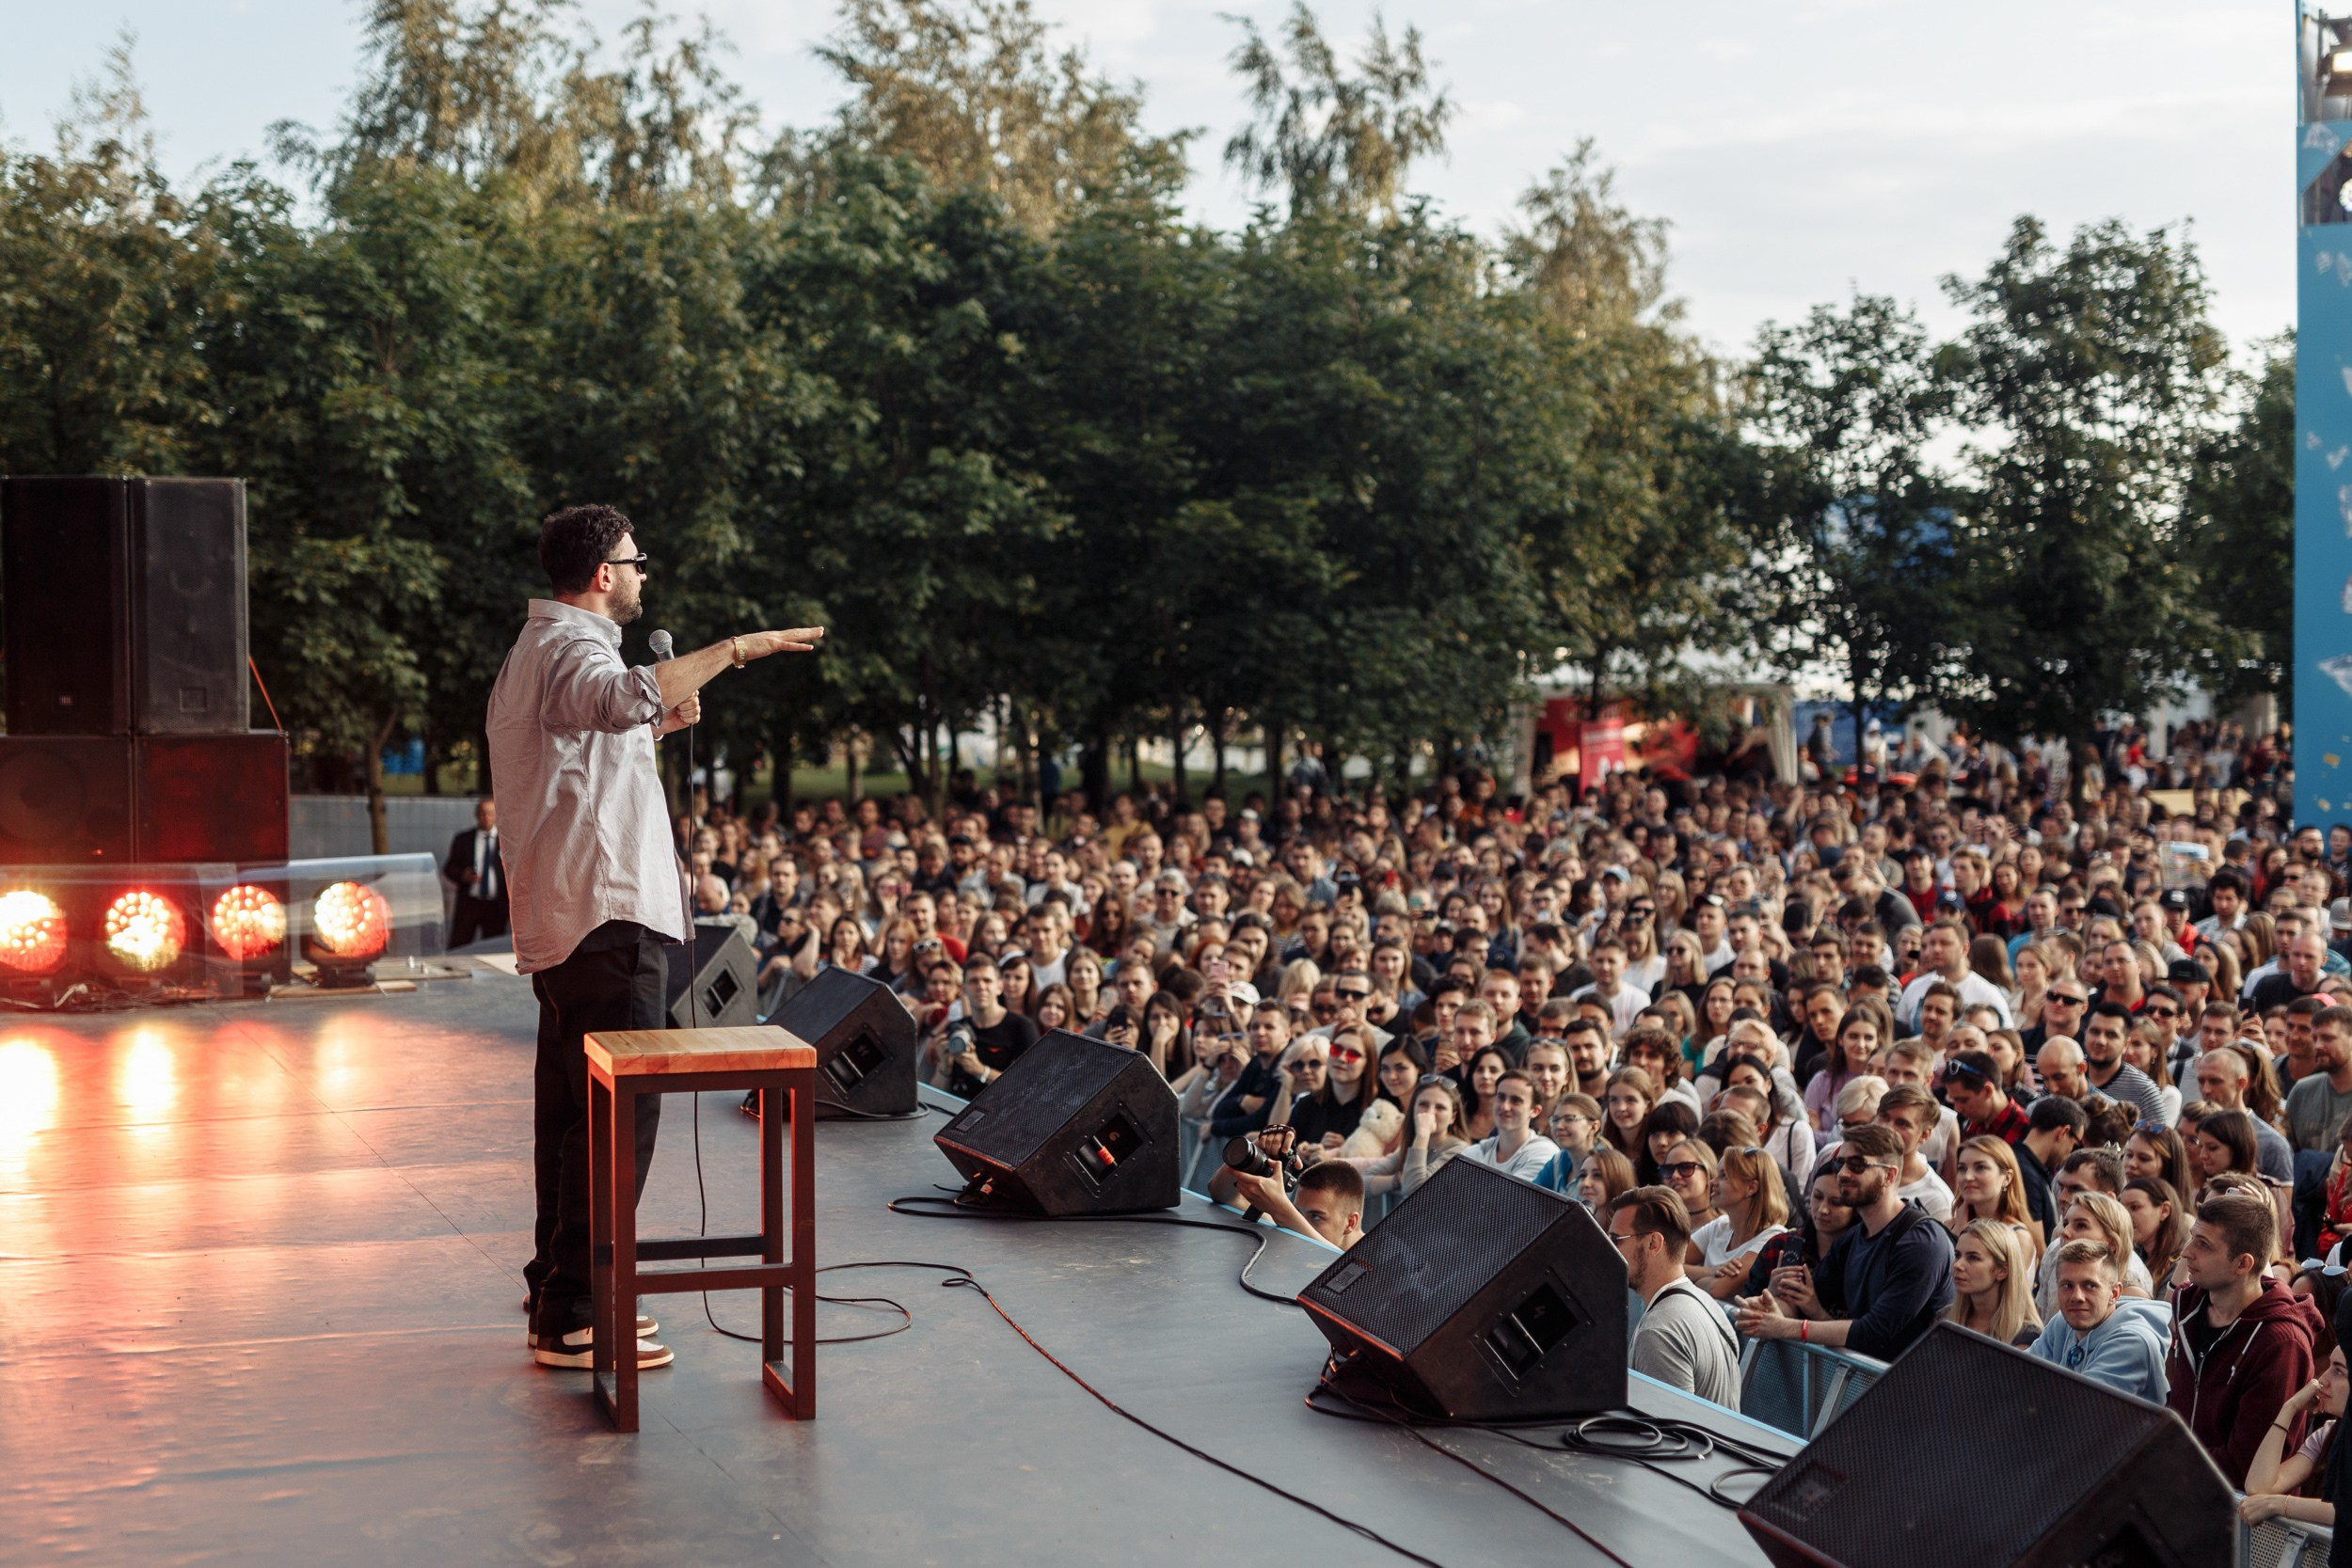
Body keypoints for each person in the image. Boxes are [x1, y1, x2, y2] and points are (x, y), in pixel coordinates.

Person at [493, 502, 823, 1370]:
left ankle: (565, 1295)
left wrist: (662, 719)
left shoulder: (544, 648)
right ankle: (578, 1307)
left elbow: (596, 739)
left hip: (576, 916)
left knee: (575, 1119)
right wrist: (737, 650)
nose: (644, 574)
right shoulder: (571, 647)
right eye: (637, 561)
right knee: (615, 1120)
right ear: (603, 573)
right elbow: (613, 699)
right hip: (606, 918)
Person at [1735, 1123, 1956, 1359]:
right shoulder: (1854, 1238)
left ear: (1889, 1175)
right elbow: (1807, 1298)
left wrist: (1786, 1327)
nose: (1843, 1174)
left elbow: (1875, 1331)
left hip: (1914, 1386)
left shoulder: (1921, 1243)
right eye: (1841, 1163)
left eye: (1857, 1165)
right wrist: (1768, 1308)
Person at [2167, 1190, 2326, 1484]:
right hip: (2179, 1491)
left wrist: (2165, 1458)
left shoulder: (2281, 1343)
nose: (2187, 1252)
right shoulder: (2187, 1306)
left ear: (2242, 1264)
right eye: (2192, 1238)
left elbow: (2246, 1464)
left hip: (2236, 1517)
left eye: (2203, 1244)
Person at [1610, 1187, 1742, 1410]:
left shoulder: (1658, 1331)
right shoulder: (1706, 1302)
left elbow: (1670, 1437)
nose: (1609, 1248)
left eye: (1616, 1240)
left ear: (1654, 1243)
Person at [2026, 1239, 2172, 1402]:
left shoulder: (2133, 1342)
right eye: (2067, 1286)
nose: (2076, 1297)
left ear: (2115, 1293)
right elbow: (2017, 1375)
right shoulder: (2062, 1322)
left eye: (2089, 1286)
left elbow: (2082, 1409)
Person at [2239, 1344, 2346, 1529]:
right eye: (2329, 1367)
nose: (2322, 1380)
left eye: (2338, 1371)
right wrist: (2290, 1407)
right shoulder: (2328, 1433)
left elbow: (2345, 1510)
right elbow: (2259, 1487)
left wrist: (2280, 1504)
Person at [1231, 1129, 1365, 1250]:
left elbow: (1339, 1261)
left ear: (1350, 1222)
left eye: (1316, 1216)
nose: (1301, 1223)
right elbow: (1225, 1196)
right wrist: (1257, 1148)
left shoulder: (1378, 1269)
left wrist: (1281, 1210)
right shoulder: (1289, 1223)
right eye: (1298, 1213)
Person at [1692, 1144, 1790, 1299]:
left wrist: (1694, 1282)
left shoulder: (1773, 1236)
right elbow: (1668, 1266)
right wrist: (1710, 1271)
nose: (1712, 1182)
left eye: (1724, 1176)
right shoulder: (1720, 1225)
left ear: (1751, 1187)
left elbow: (1718, 1290)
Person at [1946, 1217, 2042, 1347]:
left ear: (2002, 1270)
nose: (1958, 1265)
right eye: (1957, 1255)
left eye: (1973, 1258)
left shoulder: (2026, 1336)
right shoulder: (1944, 1318)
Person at [1457, 1069, 1561, 1181]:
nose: (1505, 1107)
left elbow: (1508, 1197)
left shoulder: (1544, 1151)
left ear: (1535, 1111)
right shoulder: (1475, 1152)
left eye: (1516, 1101)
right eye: (1501, 1097)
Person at [2081, 1002, 2168, 1127]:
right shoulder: (2066, 1070)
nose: (2100, 1041)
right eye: (2095, 1032)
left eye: (2111, 1035)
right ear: (2085, 1035)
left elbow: (2159, 1140)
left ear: (2125, 1044)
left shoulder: (2145, 1091)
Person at [443, 797, 509, 947]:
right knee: (460, 943)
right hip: (470, 903)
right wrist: (462, 875)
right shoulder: (464, 839)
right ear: (476, 815)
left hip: (495, 905)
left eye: (490, 813)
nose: (486, 817)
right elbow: (449, 868)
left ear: (497, 815)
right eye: (482, 813)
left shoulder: (506, 841)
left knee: (493, 945)